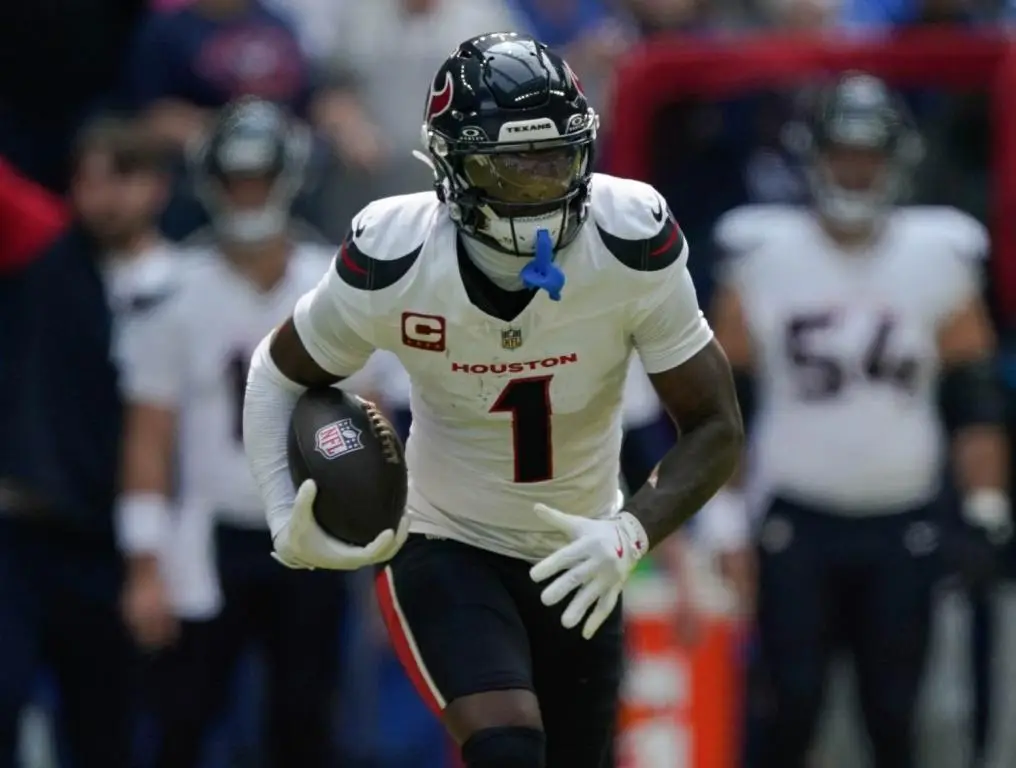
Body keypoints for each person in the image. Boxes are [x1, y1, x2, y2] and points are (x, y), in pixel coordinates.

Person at [242, 32, 743, 767]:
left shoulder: (629, 236)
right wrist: (282, 508)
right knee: (507, 749)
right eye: (509, 168)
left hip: (582, 554)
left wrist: (629, 533)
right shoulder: (396, 255)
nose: (539, 186)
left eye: (553, 161)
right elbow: (278, 370)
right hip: (447, 540)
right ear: (451, 166)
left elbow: (715, 426)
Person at [710, 72, 1010, 768]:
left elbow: (973, 399)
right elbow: (727, 406)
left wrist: (987, 505)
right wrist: (722, 518)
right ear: (813, 155)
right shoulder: (761, 250)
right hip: (792, 517)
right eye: (843, 151)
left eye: (869, 154)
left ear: (897, 161)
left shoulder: (939, 252)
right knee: (789, 705)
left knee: (895, 714)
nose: (855, 168)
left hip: (902, 518)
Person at [117, 97, 343, 768]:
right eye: (236, 178)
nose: (248, 193)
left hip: (313, 533)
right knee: (181, 722)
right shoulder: (169, 289)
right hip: (206, 533)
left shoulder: (336, 284)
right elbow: (148, 438)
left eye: (259, 178)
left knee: (306, 724)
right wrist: (145, 564)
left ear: (289, 176)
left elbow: (373, 422)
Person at [0, 116, 174, 768]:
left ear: (158, 186)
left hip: (122, 547)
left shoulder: (188, 282)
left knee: (108, 728)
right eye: (88, 180)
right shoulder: (44, 251)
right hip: (25, 529)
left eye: (122, 178)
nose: (103, 197)